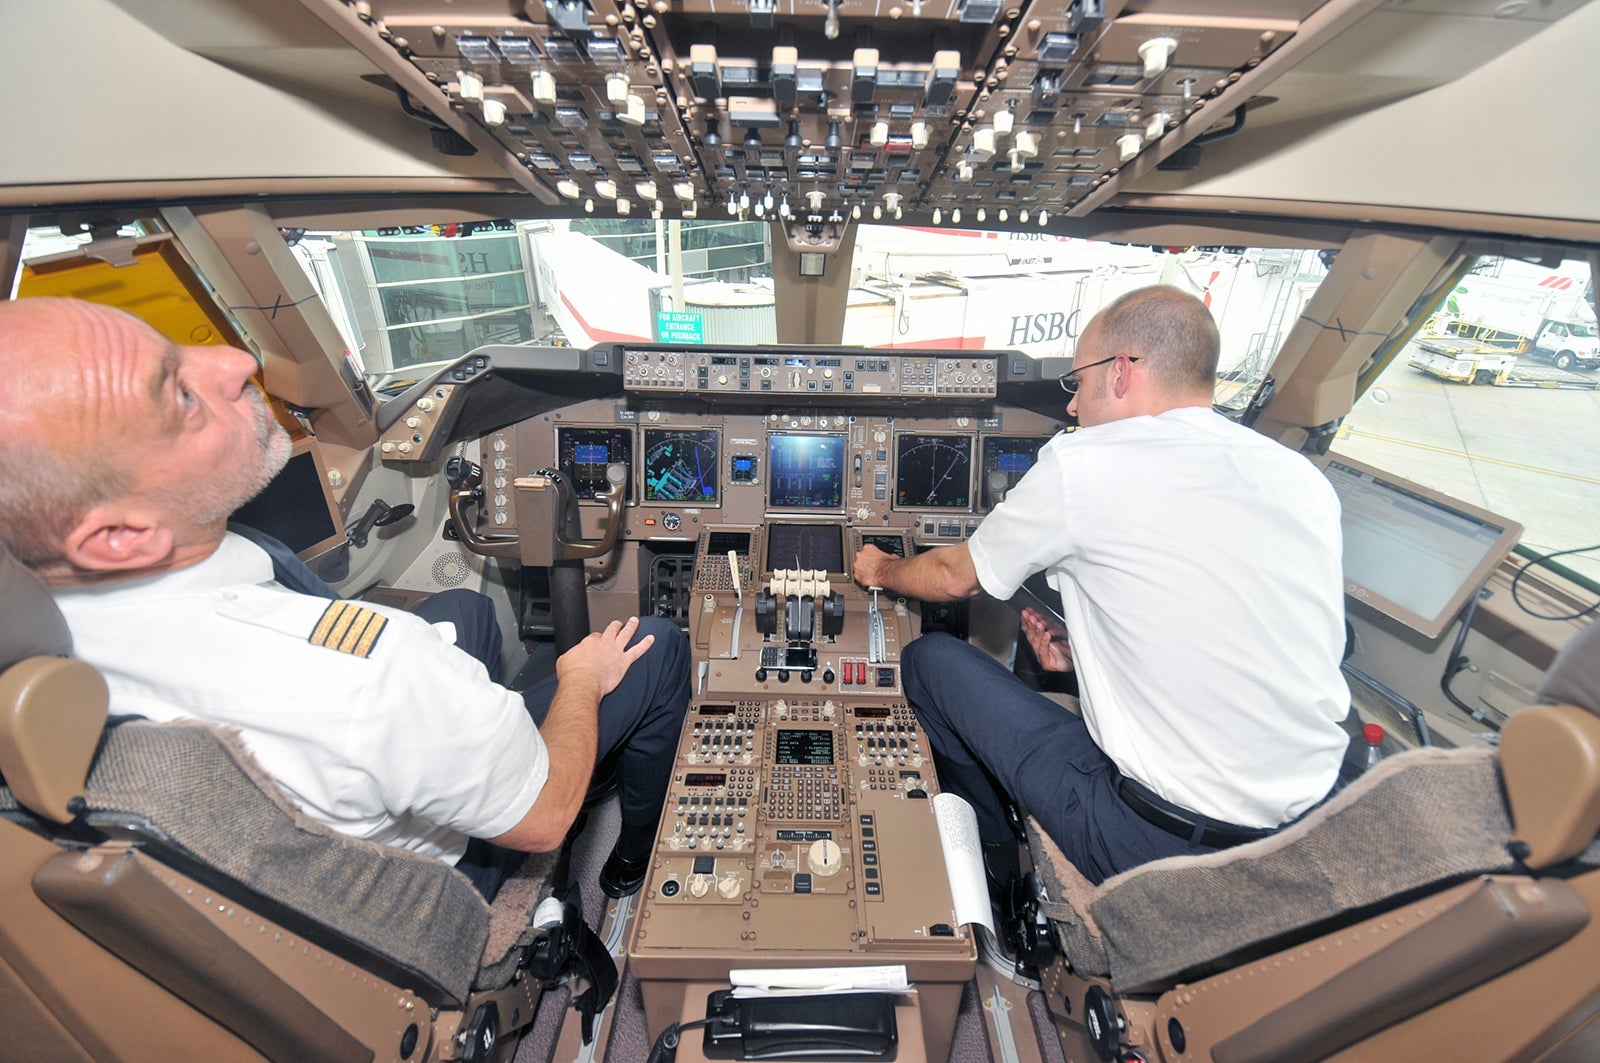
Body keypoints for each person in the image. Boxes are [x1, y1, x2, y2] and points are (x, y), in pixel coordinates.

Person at [0, 297, 689, 901]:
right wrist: (579, 681)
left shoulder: (41, 638)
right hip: (438, 870)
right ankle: (629, 855)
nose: (235, 360)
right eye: (180, 396)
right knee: (656, 650)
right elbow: (543, 816)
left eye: (179, 347)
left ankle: (507, 735)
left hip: (322, 815)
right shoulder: (371, 674)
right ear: (121, 535)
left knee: (465, 609)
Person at [853, 286, 1351, 886]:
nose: (1070, 407)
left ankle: (994, 863)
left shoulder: (1086, 463)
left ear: (1120, 372)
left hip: (1148, 837)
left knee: (929, 660)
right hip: (1310, 827)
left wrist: (879, 570)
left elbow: (952, 578)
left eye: (1077, 382)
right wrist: (1082, 658)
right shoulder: (1297, 477)